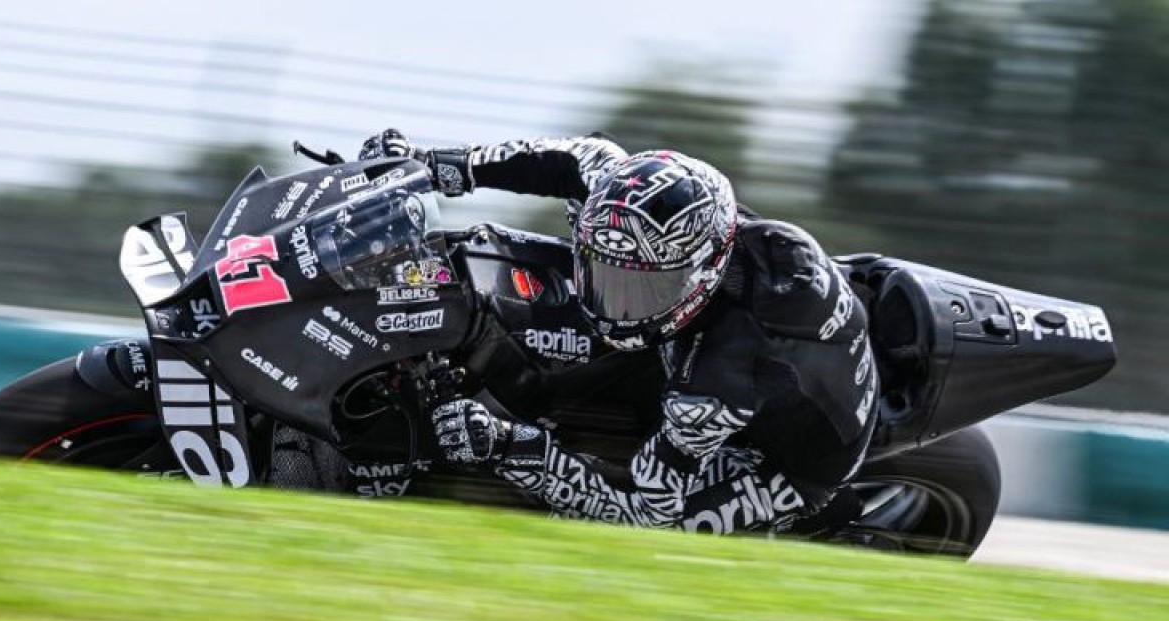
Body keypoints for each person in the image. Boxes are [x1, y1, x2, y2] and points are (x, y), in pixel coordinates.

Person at [359, 129, 879, 534]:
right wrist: (432, 164)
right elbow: (577, 155)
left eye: (640, 290)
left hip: (796, 459)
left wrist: (509, 446)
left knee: (629, 532)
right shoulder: (644, 212)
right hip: (745, 346)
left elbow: (643, 513)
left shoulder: (717, 378)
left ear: (701, 274)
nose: (614, 307)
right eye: (606, 275)